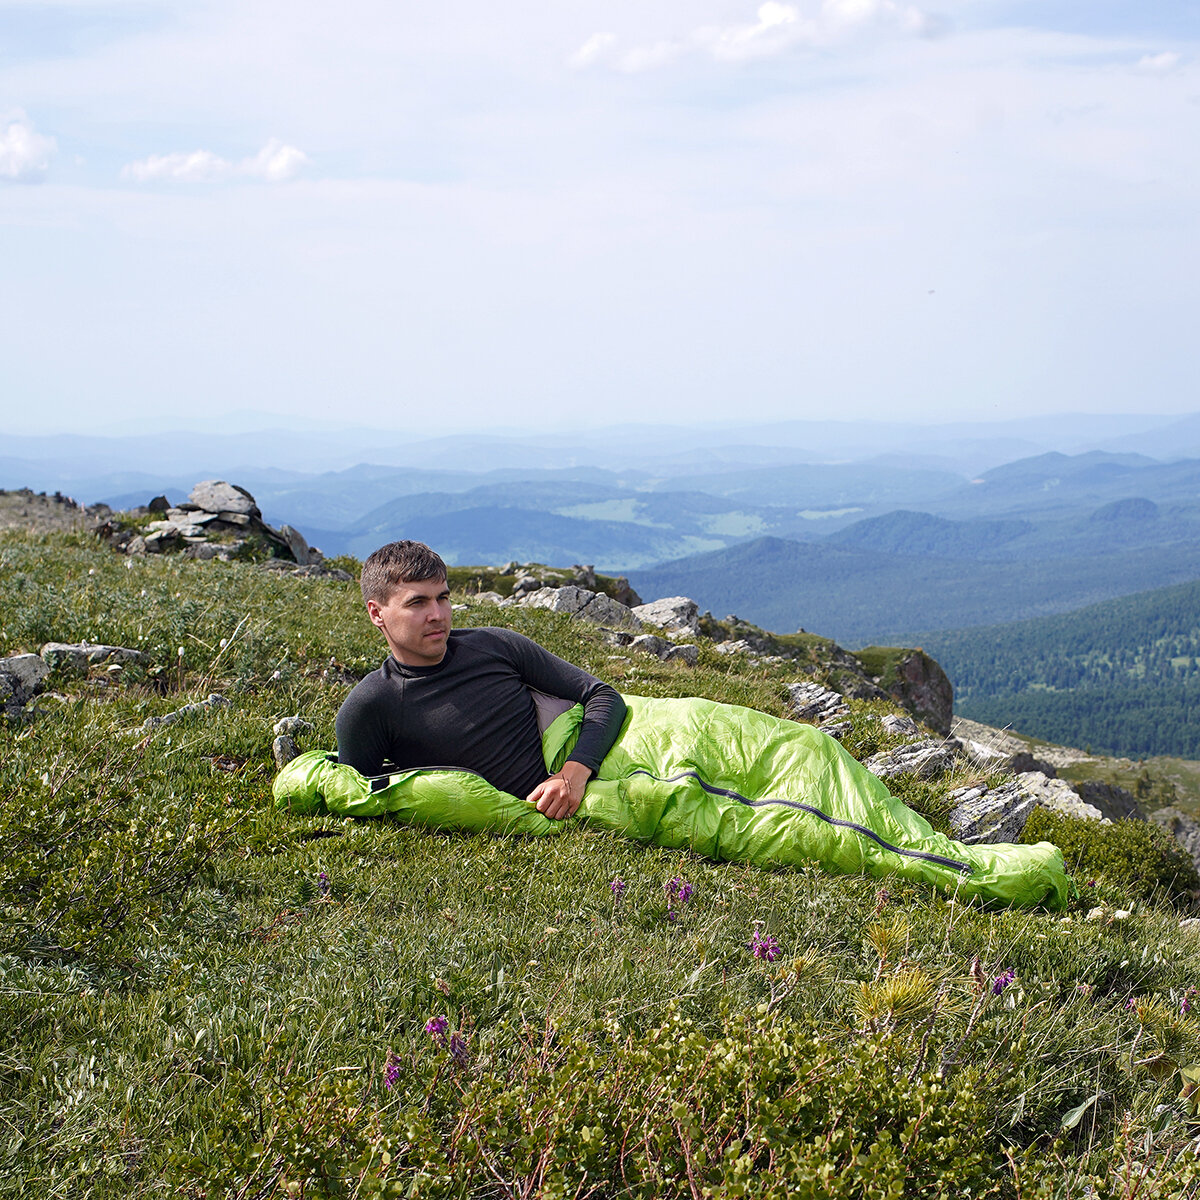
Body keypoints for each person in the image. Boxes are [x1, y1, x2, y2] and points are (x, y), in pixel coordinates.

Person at [335, 540, 627, 821]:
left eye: (443, 598)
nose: (437, 615)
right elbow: (355, 796)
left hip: (593, 789)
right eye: (417, 603)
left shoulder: (496, 646)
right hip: (508, 827)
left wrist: (573, 773)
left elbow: (602, 695)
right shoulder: (371, 704)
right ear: (377, 613)